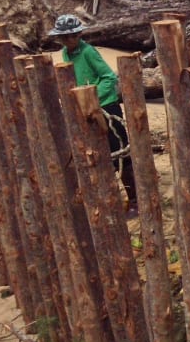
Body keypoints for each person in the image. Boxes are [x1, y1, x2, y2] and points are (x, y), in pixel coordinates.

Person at [49, 14, 138, 218]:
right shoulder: (65, 54)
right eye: (63, 37)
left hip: (106, 108)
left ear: (78, 34)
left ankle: (135, 201)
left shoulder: (88, 52)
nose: (67, 40)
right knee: (97, 153)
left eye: (71, 36)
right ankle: (111, 198)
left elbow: (109, 77)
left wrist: (92, 96)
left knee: (120, 152)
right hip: (86, 110)